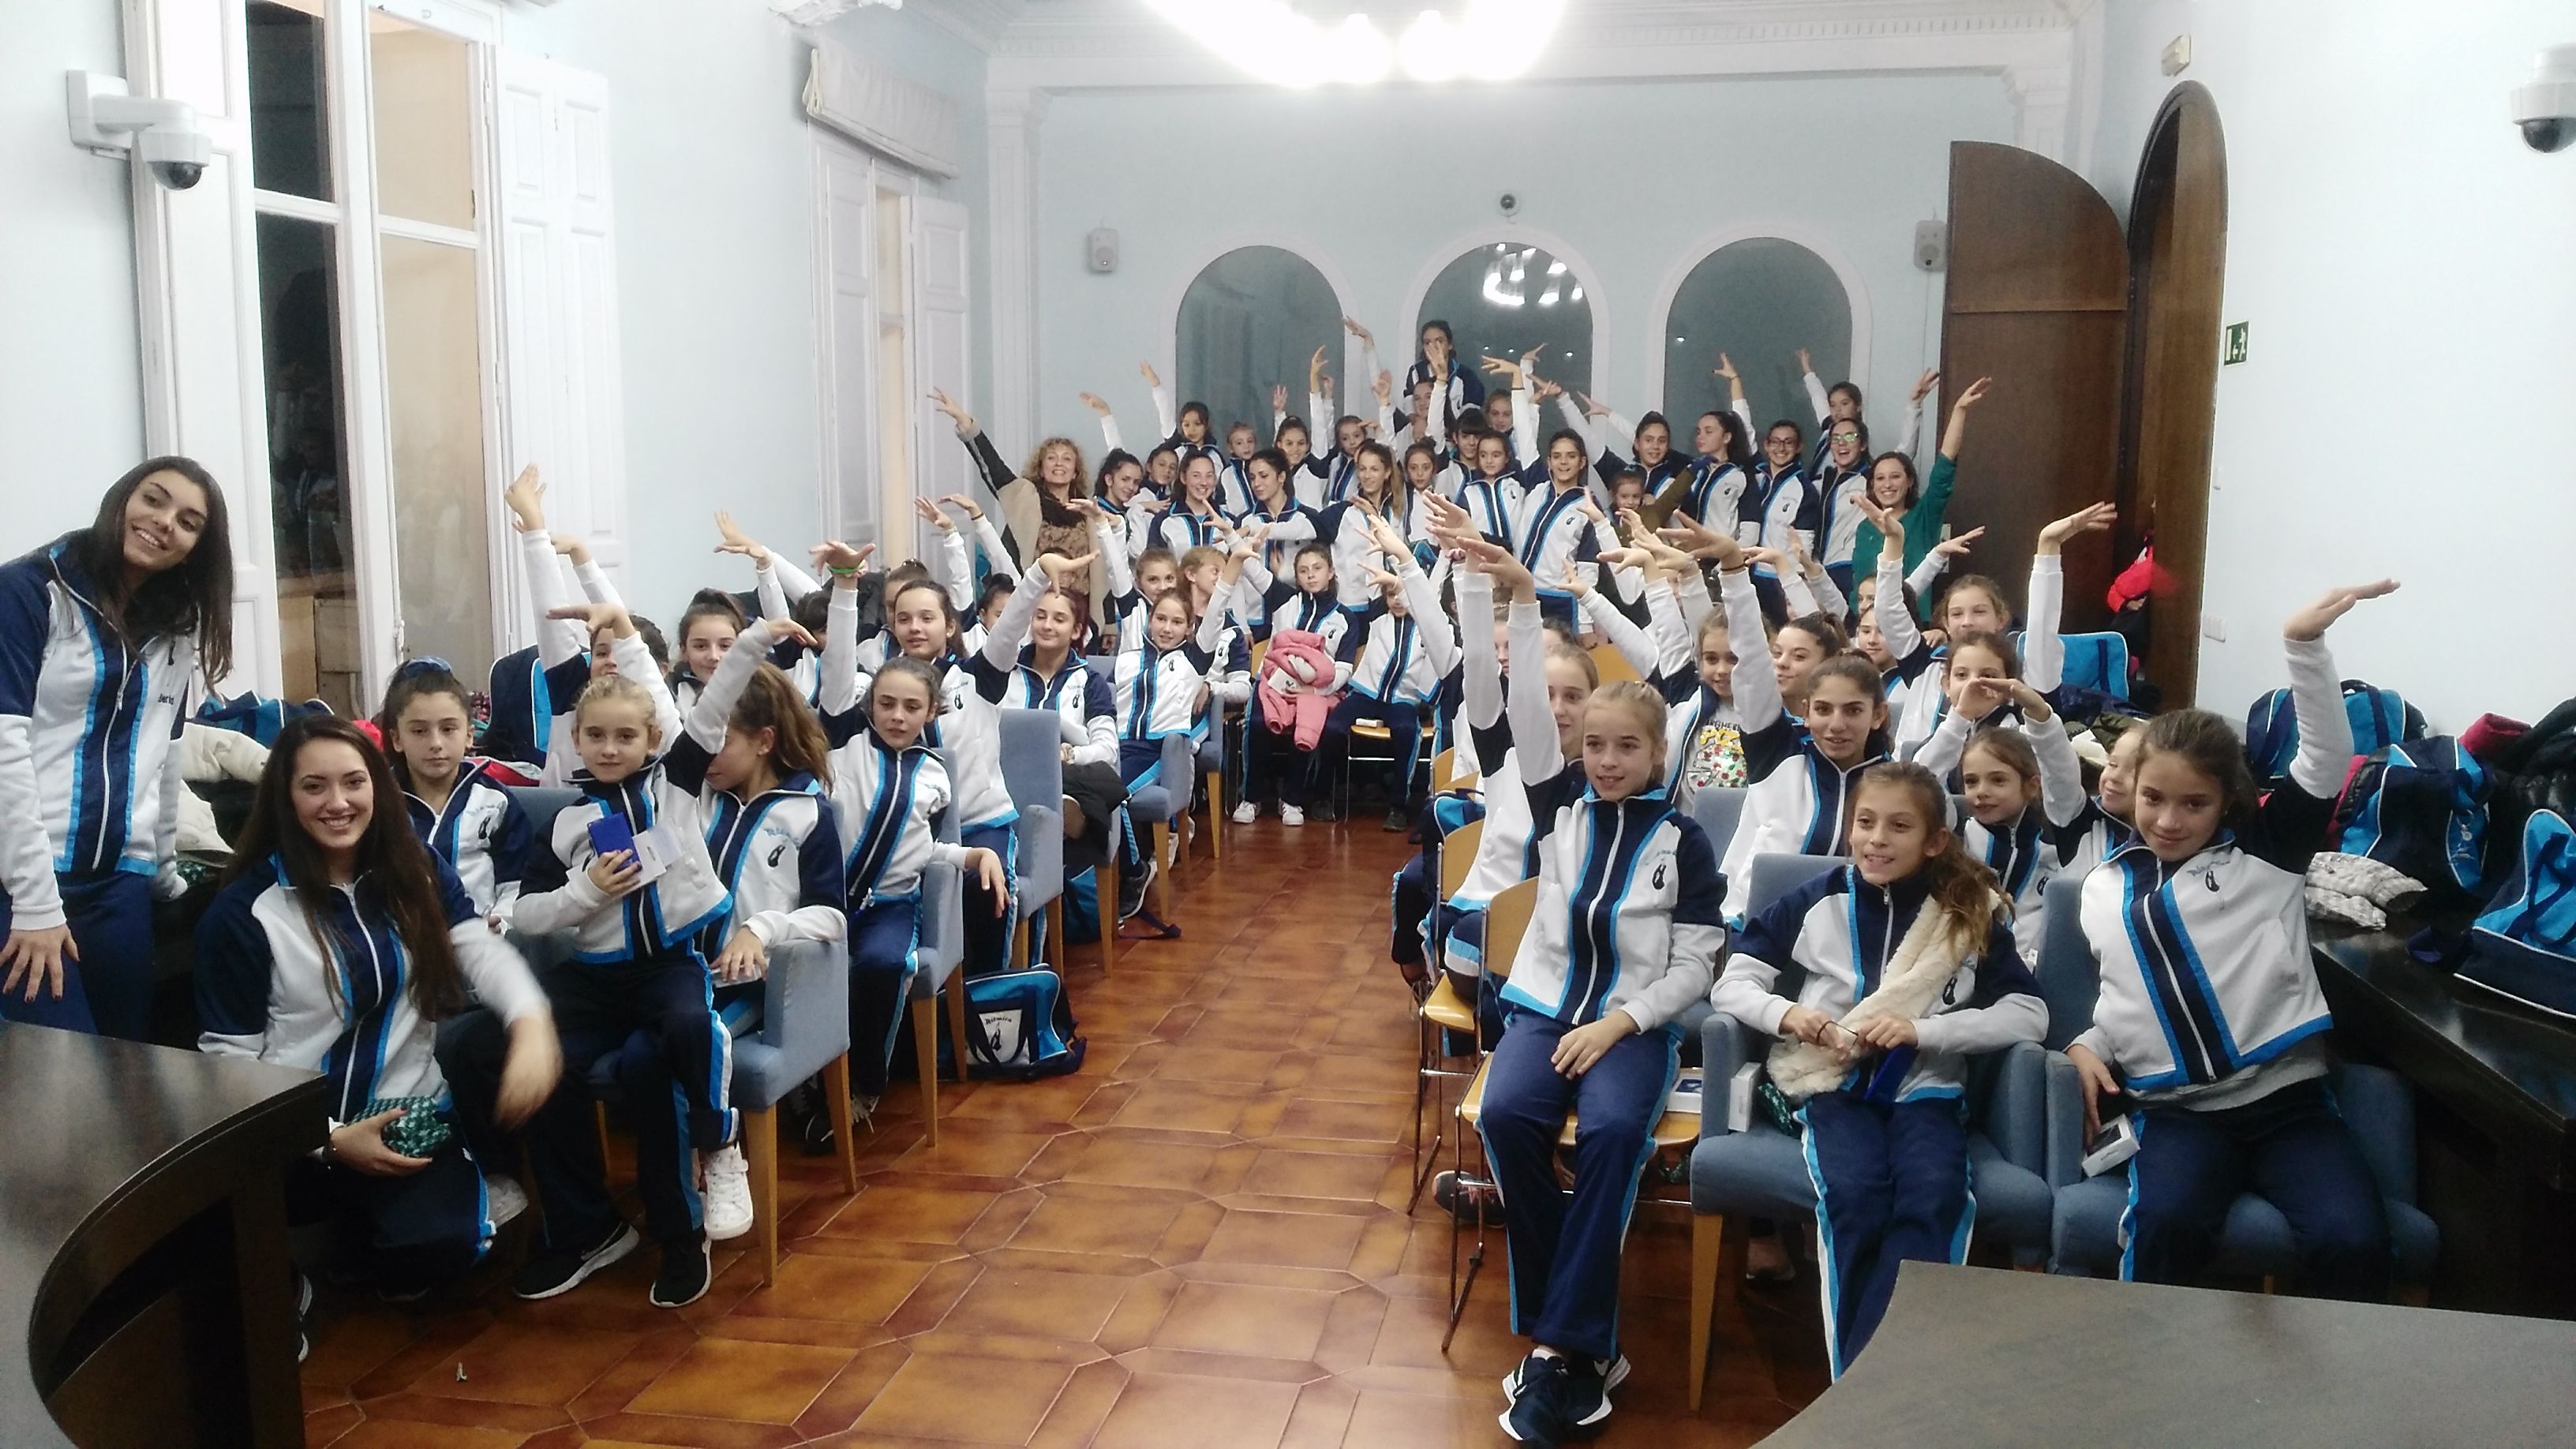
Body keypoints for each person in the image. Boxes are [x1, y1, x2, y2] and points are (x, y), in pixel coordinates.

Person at [2065, 582, 2402, 1301]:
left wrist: (2303, 648)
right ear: (2127, 791)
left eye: (2195, 803)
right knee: (2164, 1226)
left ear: (2228, 804)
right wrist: (2088, 1040)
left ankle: (2343, 1402)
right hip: (2179, 1115)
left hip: (2290, 1107)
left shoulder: (2266, 852)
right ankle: (2156, 1387)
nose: (2170, 819)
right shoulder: (2104, 888)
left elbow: (2325, 757)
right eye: (2155, 799)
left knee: (2355, 1240)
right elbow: (2133, 993)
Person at [1459, 534, 1724, 1446]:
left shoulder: (1684, 841)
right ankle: (1580, 1345)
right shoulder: (1556, 805)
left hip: (1633, 1028)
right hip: (1544, 1010)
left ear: (1658, 754)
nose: (1607, 760)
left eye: (1628, 748)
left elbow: (1697, 962)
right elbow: (1525, 704)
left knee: (1615, 1131)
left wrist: (1622, 1022)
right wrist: (1524, 597)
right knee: (1506, 1118)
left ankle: (1559, 1350)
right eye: (1597, 745)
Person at [196, 717, 560, 1312]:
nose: (337, 802)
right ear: (286, 798)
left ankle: (368, 1239)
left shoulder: (415, 869)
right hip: (290, 1137)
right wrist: (331, 1141)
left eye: (353, 783)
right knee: (216, 1242)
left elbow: (476, 949)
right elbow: (229, 1065)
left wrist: (531, 1021)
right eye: (314, 786)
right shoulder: (243, 914)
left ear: (377, 788)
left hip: (405, 1116)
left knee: (446, 1247)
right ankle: (296, 1270)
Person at [1712, 760, 2045, 1375]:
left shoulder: (1967, 912)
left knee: (1935, 1195)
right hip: (1833, 1088)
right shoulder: (1816, 900)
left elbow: (2028, 1014)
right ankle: (1861, 1385)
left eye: (1898, 826)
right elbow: (1733, 985)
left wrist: (1927, 1030)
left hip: (1928, 1092)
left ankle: (1894, 1382)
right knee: (1856, 1196)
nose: (1877, 839)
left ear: (1934, 841)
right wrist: (1789, 1015)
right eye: (1865, 823)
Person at [512, 596, 741, 1309]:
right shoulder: (564, 819)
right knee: (539, 1061)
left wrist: (761, 633)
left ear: (650, 741)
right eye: (596, 737)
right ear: (576, 741)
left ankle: (688, 1219)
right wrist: (584, 894)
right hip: (594, 978)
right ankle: (586, 1229)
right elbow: (522, 915)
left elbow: (715, 703)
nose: (610, 749)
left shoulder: (677, 785)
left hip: (667, 970)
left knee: (661, 1056)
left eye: (625, 737)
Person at [1, 456, 233, 1038]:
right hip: (25, 881)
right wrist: (34, 904)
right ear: (122, 498)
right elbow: (4, 751)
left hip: (118, 886)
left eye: (188, 521)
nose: (163, 523)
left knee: (130, 1066)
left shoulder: (177, 624)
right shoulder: (30, 592)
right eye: (153, 500)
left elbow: (164, 751)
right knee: (60, 1073)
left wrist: (164, 874)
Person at [1320, 515, 1457, 832]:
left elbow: (1430, 591)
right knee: (1335, 727)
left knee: (1407, 734)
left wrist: (1443, 560)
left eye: (1402, 594)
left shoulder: (1428, 626)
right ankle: (1325, 794)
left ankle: (1398, 806)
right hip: (1366, 696)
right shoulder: (1378, 620)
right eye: (1391, 594)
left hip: (1402, 702)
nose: (1397, 600)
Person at [378, 659, 533, 927]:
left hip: (479, 942)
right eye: (419, 731)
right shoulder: (378, 802)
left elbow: (518, 881)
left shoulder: (496, 801)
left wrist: (502, 921)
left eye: (448, 729)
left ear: (470, 735)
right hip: (401, 943)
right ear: (396, 739)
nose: (436, 743)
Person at [1845, 377, 1990, 605]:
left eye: (1895, 477)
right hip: (1867, 624)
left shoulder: (1924, 515)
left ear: (1910, 481)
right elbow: (1858, 586)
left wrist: (1959, 410)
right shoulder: (1865, 528)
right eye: (1880, 479)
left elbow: (1945, 465)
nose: (1887, 484)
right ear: (1871, 485)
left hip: (1913, 620)